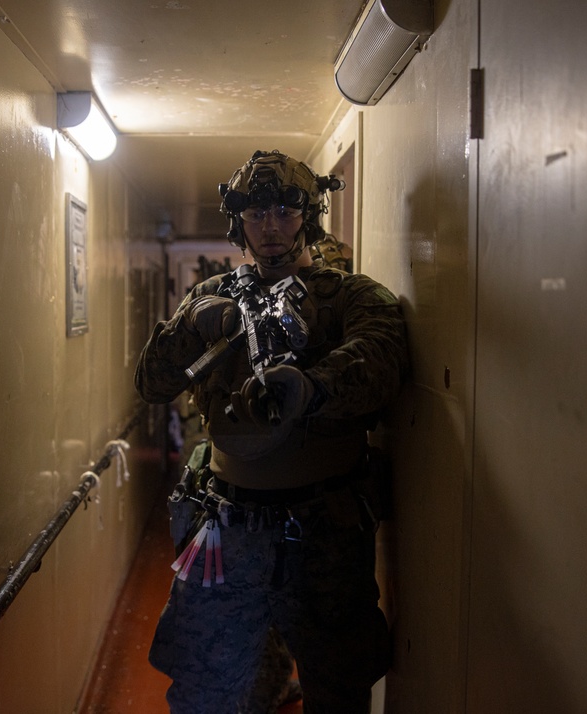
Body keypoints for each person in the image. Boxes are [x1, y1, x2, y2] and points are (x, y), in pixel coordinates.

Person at [135, 150, 409, 713]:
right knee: (204, 685)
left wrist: (311, 387)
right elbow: (151, 382)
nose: (271, 227)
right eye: (257, 213)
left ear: (307, 216)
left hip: (320, 532)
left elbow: (381, 354)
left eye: (285, 211)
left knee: (336, 686)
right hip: (227, 527)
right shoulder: (213, 295)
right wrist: (191, 324)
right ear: (239, 222)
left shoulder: (350, 296)